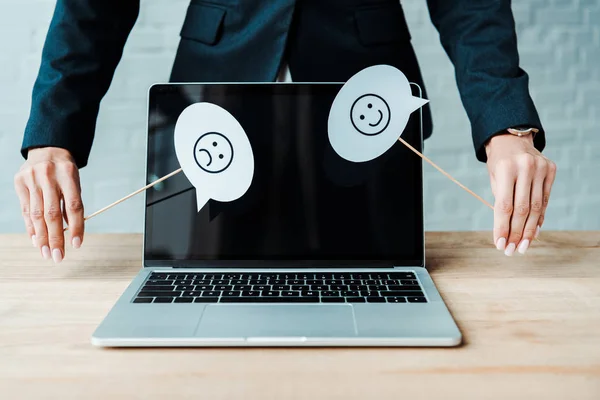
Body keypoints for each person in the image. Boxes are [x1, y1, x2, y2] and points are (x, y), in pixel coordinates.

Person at [14, 0, 556, 263]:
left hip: (368, 103)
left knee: (379, 297)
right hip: (212, 103)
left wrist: (505, 121)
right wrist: (53, 132)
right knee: (195, 298)